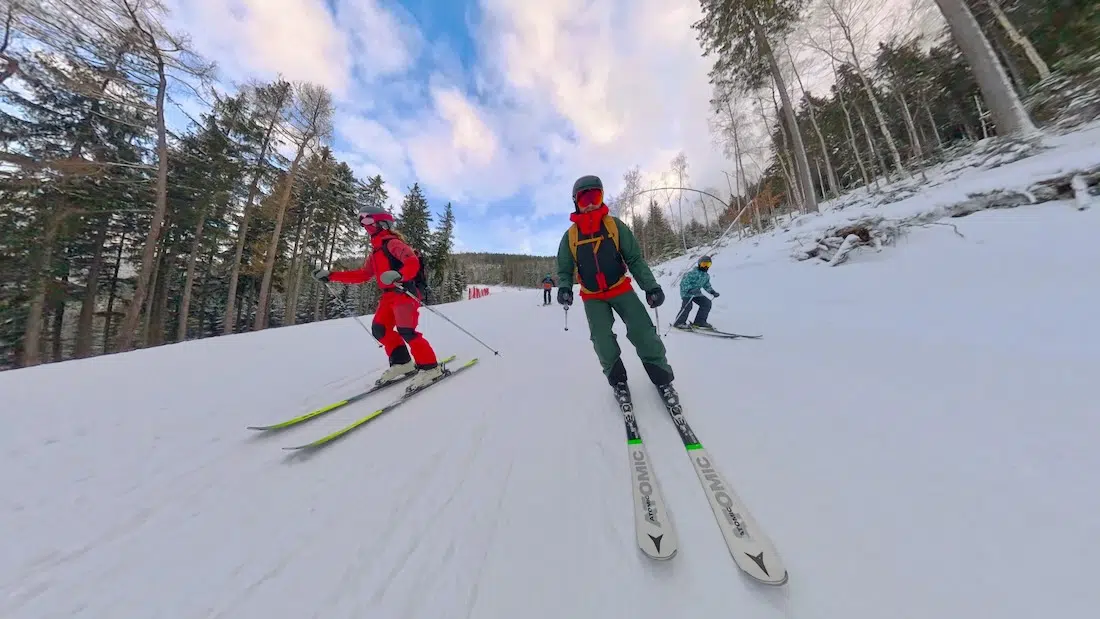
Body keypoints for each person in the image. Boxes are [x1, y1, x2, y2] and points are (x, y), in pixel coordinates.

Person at [555, 174, 677, 402]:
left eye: (595, 197)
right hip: (592, 296)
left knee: (643, 331)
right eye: (584, 199)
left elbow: (634, 259)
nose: (590, 204)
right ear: (576, 203)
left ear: (602, 198)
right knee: (602, 339)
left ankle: (662, 378)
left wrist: (651, 287)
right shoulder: (570, 236)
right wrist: (564, 287)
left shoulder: (614, 226)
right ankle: (618, 381)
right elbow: (564, 268)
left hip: (620, 288)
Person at [312, 204, 443, 391]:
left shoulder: (393, 243)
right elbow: (363, 275)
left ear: (382, 222)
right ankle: (402, 362)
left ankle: (430, 368)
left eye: (368, 220)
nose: (364, 225)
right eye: (362, 222)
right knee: (380, 330)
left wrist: (400, 275)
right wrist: (331, 276)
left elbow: (412, 262)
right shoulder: (376, 251)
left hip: (404, 292)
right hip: (389, 296)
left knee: (407, 331)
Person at [672, 255, 719, 330]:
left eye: (708, 264)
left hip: (697, 293)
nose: (705, 267)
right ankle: (679, 323)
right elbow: (684, 283)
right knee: (688, 306)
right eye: (704, 264)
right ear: (699, 264)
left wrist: (712, 292)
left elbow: (706, 285)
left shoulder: (706, 276)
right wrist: (690, 289)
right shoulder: (691, 273)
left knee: (706, 303)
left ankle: (699, 322)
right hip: (687, 293)